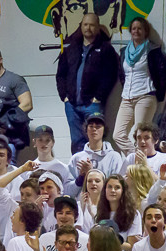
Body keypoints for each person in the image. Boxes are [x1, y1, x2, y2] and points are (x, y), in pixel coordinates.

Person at [56, 12, 119, 154]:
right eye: (85, 24)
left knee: (95, 140)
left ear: (97, 27)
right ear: (81, 26)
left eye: (91, 25)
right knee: (76, 140)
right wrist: (64, 97)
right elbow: (60, 74)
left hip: (93, 104)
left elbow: (110, 75)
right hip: (71, 104)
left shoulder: (105, 49)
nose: (88, 28)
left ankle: (95, 168)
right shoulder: (71, 48)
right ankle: (79, 167)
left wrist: (98, 97)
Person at [114, 17, 166, 155]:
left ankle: (139, 162)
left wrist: (159, 94)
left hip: (146, 95)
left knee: (139, 134)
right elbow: (122, 75)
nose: (136, 31)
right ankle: (137, 158)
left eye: (140, 28)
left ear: (146, 31)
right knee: (118, 135)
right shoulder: (124, 52)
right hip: (127, 97)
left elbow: (164, 74)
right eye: (134, 28)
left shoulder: (153, 50)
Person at [0, 47, 33, 159]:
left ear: (0, 60)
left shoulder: (15, 79)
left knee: (9, 163)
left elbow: (27, 104)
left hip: (14, 133)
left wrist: (5, 121)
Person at [66, 112, 124, 198]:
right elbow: (68, 191)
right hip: (82, 204)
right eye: (91, 126)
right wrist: (81, 177)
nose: (94, 129)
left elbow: (117, 186)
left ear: (104, 130)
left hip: (105, 204)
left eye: (98, 126)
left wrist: (91, 173)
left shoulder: (114, 157)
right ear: (86, 130)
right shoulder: (76, 158)